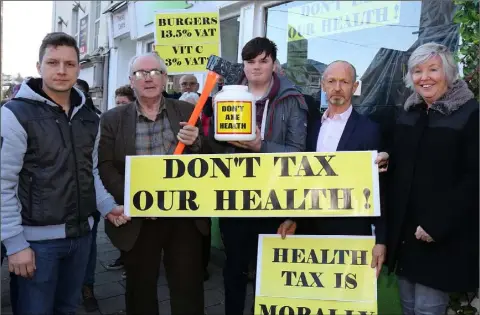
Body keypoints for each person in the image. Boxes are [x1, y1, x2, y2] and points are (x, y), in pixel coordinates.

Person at [0, 32, 128, 315]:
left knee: (67, 309)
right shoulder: (15, 114)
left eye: (69, 64)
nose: (61, 70)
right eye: (53, 62)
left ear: (78, 68)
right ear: (39, 67)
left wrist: (107, 206)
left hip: (82, 238)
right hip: (35, 244)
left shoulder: (90, 118)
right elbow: (3, 184)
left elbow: (90, 170)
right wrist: (14, 244)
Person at [98, 51, 209, 315]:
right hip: (139, 219)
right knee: (140, 290)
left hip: (183, 219)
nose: (147, 78)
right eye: (140, 73)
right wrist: (132, 197)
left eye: (154, 72)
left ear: (165, 79)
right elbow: (105, 165)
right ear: (131, 80)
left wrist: (197, 143)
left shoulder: (186, 111)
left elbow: (208, 161)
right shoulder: (113, 118)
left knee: (188, 288)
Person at [206, 37, 308, 315]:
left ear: (274, 64)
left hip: (274, 198)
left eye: (264, 61)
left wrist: (260, 146)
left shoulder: (292, 99)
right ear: (244, 64)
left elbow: (297, 153)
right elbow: (213, 147)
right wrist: (212, 124)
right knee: (234, 268)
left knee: (269, 270)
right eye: (251, 61)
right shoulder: (226, 95)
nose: (256, 67)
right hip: (235, 197)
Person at [376, 42, 479, 315]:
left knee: (428, 309)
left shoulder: (470, 114)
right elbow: (403, 156)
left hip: (439, 237)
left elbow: (474, 178)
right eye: (418, 71)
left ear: (448, 72)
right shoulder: (410, 112)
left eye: (433, 69)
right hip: (406, 235)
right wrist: (388, 156)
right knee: (409, 307)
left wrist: (437, 224)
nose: (425, 77)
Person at [278, 60, 387, 277]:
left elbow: (380, 189)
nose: (337, 87)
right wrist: (292, 217)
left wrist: (381, 239)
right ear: (323, 85)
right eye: (332, 81)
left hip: (351, 233)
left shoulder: (370, 130)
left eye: (344, 82)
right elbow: (301, 179)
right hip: (309, 231)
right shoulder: (310, 127)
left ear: (355, 87)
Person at [74, 77, 103, 312]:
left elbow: (99, 164)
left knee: (89, 246)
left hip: (89, 201)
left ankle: (87, 287)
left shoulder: (97, 121)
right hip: (51, 207)